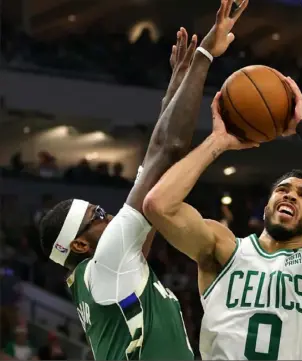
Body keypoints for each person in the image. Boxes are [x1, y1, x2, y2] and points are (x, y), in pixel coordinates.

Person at [38, 0, 248, 357]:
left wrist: (175, 89)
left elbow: (157, 168)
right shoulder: (107, 261)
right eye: (98, 217)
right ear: (80, 246)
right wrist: (205, 55)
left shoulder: (106, 274)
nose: (109, 215)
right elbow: (169, 150)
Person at [143, 77, 302, 359]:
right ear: (267, 206)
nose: (290, 195)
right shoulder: (224, 249)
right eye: (283, 189)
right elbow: (158, 205)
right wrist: (217, 142)